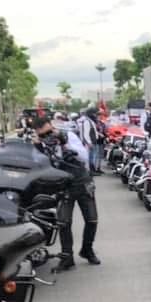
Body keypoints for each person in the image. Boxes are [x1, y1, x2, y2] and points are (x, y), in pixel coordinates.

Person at [27, 113, 100, 269]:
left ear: (53, 127)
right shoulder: (40, 145)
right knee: (64, 222)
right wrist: (38, 146)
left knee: (92, 219)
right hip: (62, 185)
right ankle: (67, 257)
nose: (47, 137)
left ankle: (87, 250)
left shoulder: (68, 136)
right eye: (43, 135)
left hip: (81, 181)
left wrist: (64, 143)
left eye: (49, 132)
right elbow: (37, 164)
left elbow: (84, 156)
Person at [77, 107, 101, 175]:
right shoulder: (87, 121)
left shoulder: (90, 121)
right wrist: (89, 143)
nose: (96, 115)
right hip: (89, 143)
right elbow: (86, 134)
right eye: (95, 113)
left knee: (91, 157)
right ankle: (90, 171)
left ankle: (92, 170)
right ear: (91, 114)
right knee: (89, 157)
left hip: (92, 141)